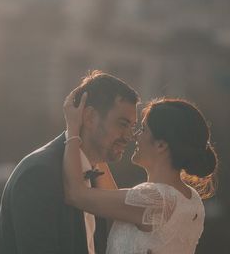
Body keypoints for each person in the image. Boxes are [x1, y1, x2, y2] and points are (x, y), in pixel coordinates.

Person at [0, 71, 139, 254]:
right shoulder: (39, 173)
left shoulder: (98, 180)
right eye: (122, 124)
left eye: (132, 127)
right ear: (90, 117)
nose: (129, 137)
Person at [62, 89, 218, 254]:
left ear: (161, 145)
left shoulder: (155, 199)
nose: (134, 136)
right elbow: (114, 200)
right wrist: (99, 145)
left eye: (143, 129)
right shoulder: (191, 199)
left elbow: (76, 195)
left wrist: (73, 129)